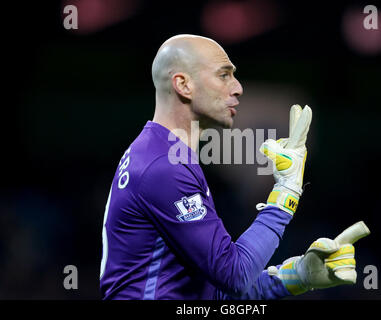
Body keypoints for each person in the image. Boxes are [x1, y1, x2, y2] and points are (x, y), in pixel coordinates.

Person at [99, 34, 367, 300]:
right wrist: (287, 191)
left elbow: (211, 292)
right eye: (224, 75)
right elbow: (234, 276)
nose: (237, 87)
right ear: (183, 85)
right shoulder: (164, 168)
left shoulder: (162, 153)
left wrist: (298, 275)